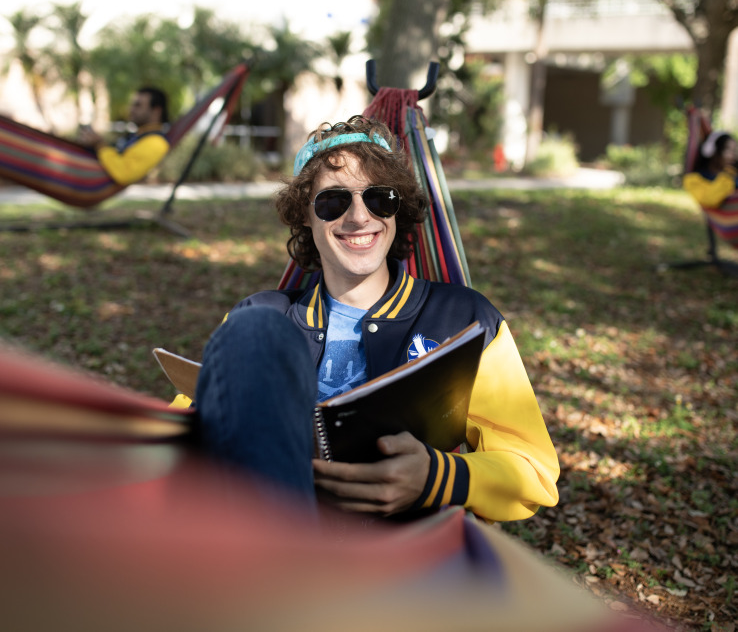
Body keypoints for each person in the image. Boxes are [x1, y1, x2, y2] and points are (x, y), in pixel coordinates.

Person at [192, 115, 560, 523]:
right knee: (256, 328)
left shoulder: (463, 318)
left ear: (396, 212)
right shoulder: (259, 318)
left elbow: (535, 473)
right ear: (305, 217)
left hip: (405, 552)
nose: (358, 217)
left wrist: (436, 477)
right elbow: (184, 429)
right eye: (332, 202)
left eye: (379, 198)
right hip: (278, 529)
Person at [77, 87, 170, 186]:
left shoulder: (156, 143)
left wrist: (100, 145)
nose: (131, 109)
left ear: (156, 111)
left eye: (138, 105)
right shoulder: (140, 136)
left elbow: (124, 173)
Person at [683, 129, 738, 208]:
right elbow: (710, 199)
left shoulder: (733, 174)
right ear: (713, 151)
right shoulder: (694, 180)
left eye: (734, 151)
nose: (733, 156)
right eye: (728, 150)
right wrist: (728, 177)